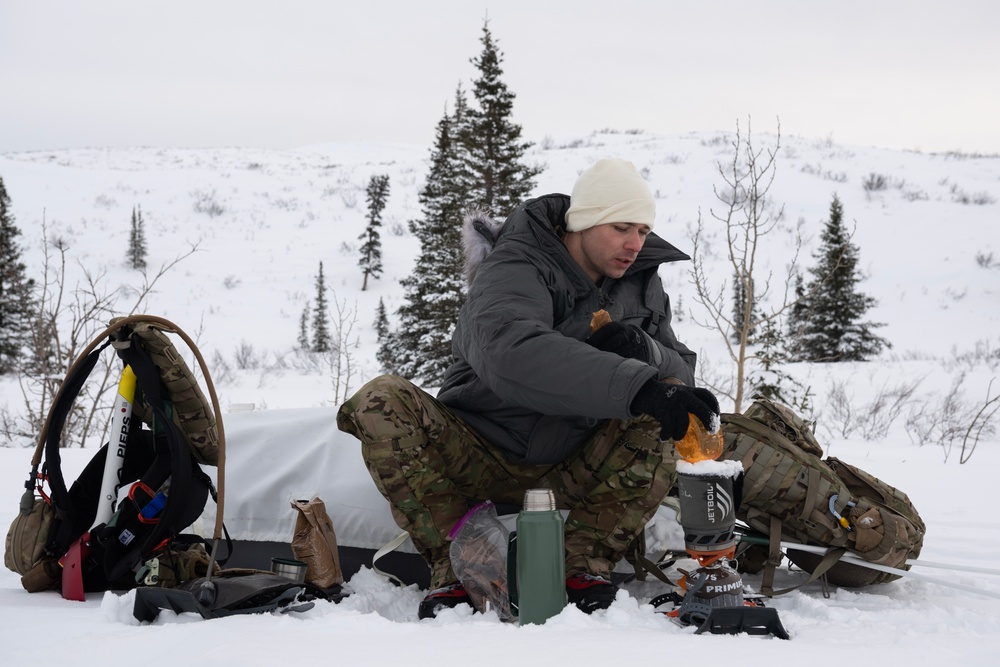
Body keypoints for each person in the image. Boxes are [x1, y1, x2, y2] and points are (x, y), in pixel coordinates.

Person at [336, 158, 720, 619]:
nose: (634, 244)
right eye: (621, 227)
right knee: (381, 400)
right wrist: (635, 385)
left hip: (574, 463)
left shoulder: (641, 284)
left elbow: (682, 367)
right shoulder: (517, 263)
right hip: (477, 452)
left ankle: (580, 566)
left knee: (667, 410)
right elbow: (512, 351)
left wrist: (648, 354)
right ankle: (458, 566)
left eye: (642, 230)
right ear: (582, 221)